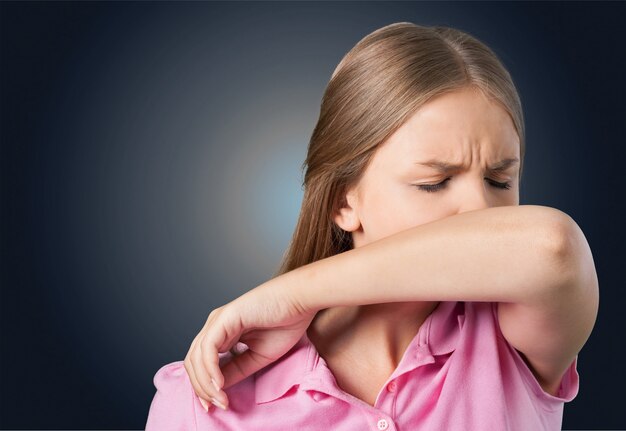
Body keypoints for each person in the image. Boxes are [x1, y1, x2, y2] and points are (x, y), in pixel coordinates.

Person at [145, 22, 598, 430]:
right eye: (434, 183)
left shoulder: (513, 335)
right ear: (345, 201)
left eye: (500, 180)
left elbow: (552, 248)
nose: (482, 210)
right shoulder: (200, 401)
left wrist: (292, 294)